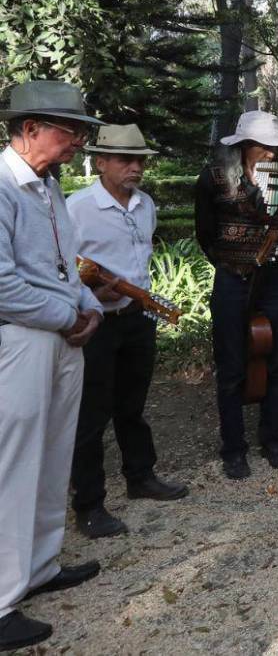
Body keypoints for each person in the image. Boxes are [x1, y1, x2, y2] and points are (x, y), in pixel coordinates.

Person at [0, 80, 104, 652]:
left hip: (61, 334)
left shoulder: (47, 185)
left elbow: (65, 264)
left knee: (52, 451)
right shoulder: (1, 186)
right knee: (13, 463)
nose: (78, 141)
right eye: (70, 130)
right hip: (22, 338)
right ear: (29, 129)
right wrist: (65, 316)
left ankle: (38, 566)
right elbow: (2, 283)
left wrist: (85, 308)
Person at [66, 125, 189, 539]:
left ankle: (140, 477)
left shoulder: (146, 204)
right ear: (101, 162)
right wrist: (89, 293)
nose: (135, 168)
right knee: (91, 414)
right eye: (125, 160)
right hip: (97, 322)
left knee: (132, 405)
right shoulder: (77, 208)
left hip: (137, 318)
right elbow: (59, 266)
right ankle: (89, 504)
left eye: (140, 160)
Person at [194, 110, 278, 480]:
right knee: (231, 365)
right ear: (246, 146)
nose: (272, 153)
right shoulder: (213, 178)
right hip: (231, 279)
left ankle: (273, 440)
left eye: (274, 146)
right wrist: (233, 262)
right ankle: (233, 449)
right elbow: (205, 233)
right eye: (266, 147)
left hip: (275, 277)